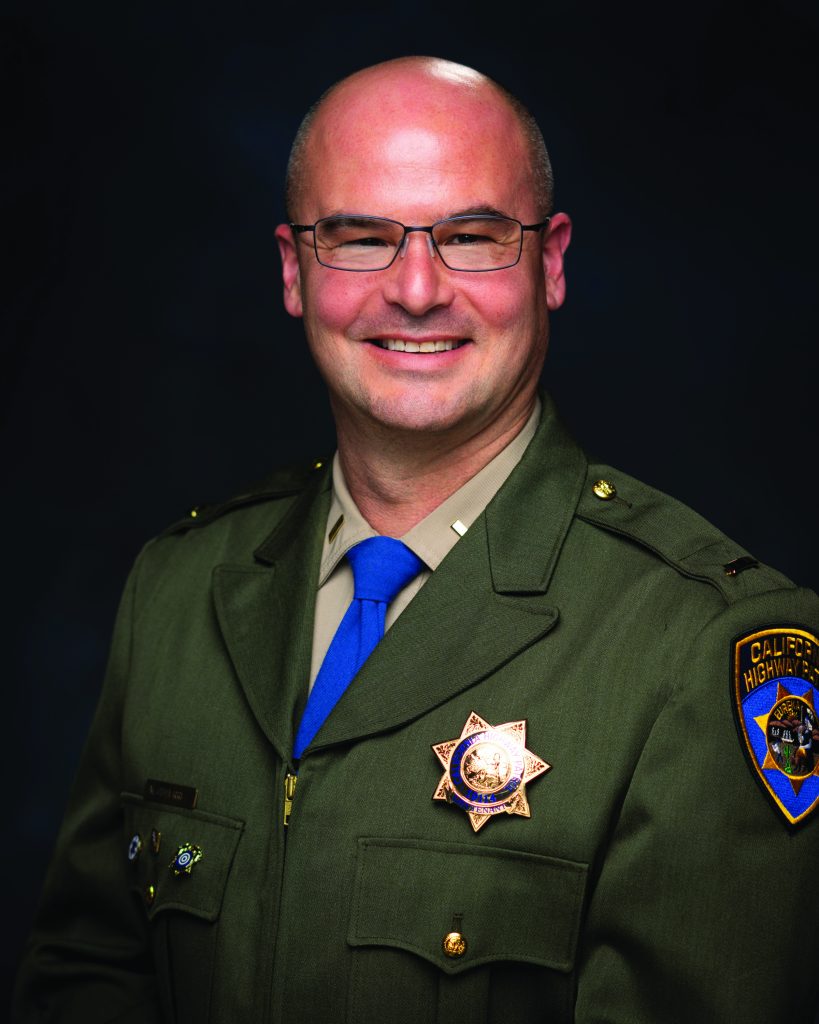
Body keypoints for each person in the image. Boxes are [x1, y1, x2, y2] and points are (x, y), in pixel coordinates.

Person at [13, 56, 819, 1024]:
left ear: (551, 261)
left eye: (474, 236)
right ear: (293, 270)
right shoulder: (180, 585)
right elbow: (88, 972)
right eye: (360, 239)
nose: (418, 289)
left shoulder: (708, 639)